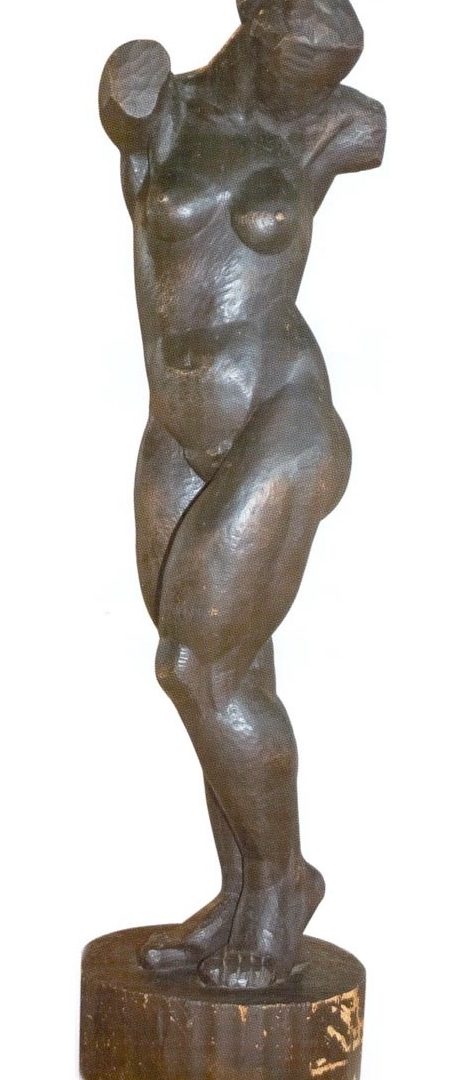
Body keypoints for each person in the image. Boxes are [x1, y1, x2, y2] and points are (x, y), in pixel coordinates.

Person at [99, 0, 386, 990]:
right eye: (305, 50)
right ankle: (241, 891)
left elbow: (368, 116)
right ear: (256, 20)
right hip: (176, 432)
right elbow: (129, 106)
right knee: (229, 679)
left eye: (334, 63)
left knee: (196, 667)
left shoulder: (331, 124)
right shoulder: (160, 101)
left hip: (282, 419)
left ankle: (279, 886)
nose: (323, 73)